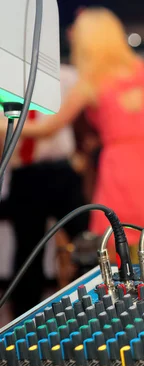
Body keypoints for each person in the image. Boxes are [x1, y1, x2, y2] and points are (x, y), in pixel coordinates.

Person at [20, 8, 144, 264]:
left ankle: (126, 302)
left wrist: (3, 125)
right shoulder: (139, 68)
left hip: (119, 164)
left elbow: (49, 127)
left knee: (115, 243)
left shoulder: (90, 82)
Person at [3, 64, 88, 316]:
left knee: (84, 240)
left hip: (62, 169)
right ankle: (24, 319)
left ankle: (93, 304)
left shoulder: (66, 75)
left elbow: (80, 116)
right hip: (24, 173)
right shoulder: (6, 82)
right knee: (27, 250)